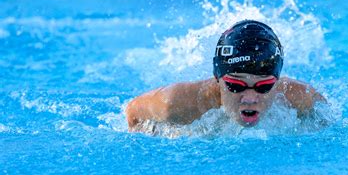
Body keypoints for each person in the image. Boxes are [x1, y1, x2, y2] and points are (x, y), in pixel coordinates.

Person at [126, 20, 326, 131]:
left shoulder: (300, 98)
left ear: (277, 82)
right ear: (217, 78)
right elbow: (133, 111)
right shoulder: (176, 103)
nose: (249, 98)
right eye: (235, 86)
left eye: (263, 86)